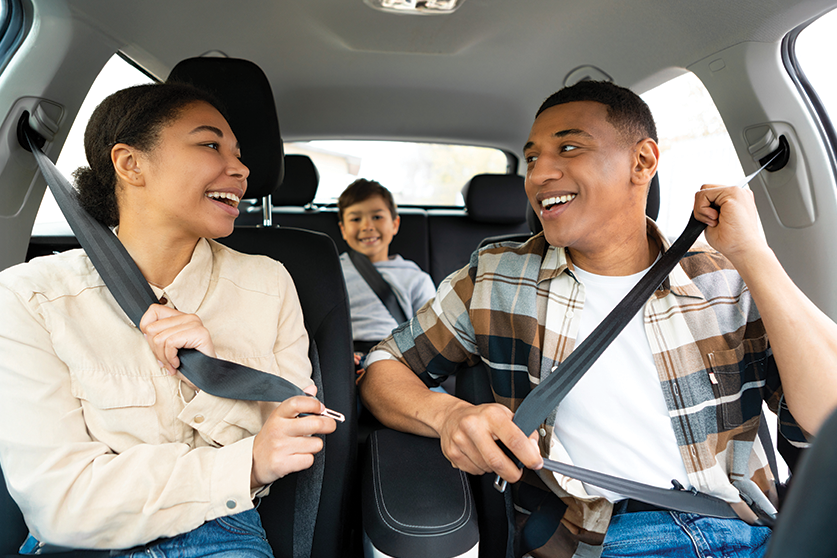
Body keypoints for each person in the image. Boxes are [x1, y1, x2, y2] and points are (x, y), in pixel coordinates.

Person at [359, 80, 837, 557]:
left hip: (750, 531)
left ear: (643, 161)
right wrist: (450, 416)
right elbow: (383, 368)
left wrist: (754, 255)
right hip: (604, 540)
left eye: (568, 147)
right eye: (531, 158)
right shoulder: (496, 277)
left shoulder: (724, 279)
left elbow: (825, 418)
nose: (539, 173)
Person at [0, 83, 336, 555]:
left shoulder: (268, 284)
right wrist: (246, 462)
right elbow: (62, 504)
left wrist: (212, 376)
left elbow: (292, 431)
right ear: (130, 163)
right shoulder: (30, 297)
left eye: (238, 154)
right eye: (210, 144)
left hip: (224, 533)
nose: (240, 169)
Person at [337, 179, 435, 360]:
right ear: (343, 229)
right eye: (356, 219)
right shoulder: (332, 272)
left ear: (395, 224)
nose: (367, 226)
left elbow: (432, 335)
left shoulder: (415, 278)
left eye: (377, 217)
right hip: (343, 358)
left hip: (398, 357)